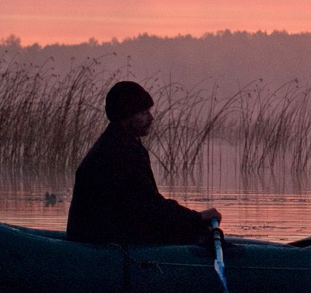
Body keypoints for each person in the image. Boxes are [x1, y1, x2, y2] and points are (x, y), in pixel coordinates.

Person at [66, 80, 221, 245]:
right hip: (100, 241)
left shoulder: (125, 144)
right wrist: (198, 218)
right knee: (197, 233)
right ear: (126, 115)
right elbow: (149, 208)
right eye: (144, 112)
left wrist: (191, 221)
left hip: (111, 233)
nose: (151, 117)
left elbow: (145, 206)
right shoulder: (117, 153)